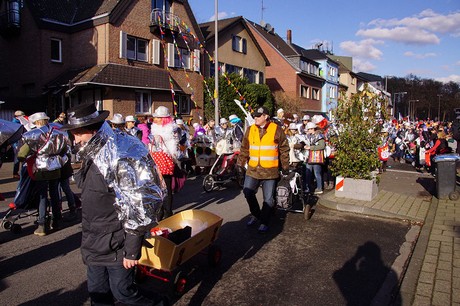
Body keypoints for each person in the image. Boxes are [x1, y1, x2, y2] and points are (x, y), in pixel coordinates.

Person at [61, 103, 167, 305]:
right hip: (94, 242)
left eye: (78, 134)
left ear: (92, 130)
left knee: (123, 292)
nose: (75, 140)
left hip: (116, 243)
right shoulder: (94, 151)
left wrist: (131, 250)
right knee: (98, 294)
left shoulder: (118, 152)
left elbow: (139, 204)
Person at [237, 106, 290, 234]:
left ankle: (264, 222)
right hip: (253, 169)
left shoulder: (276, 129)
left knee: (269, 200)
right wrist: (240, 164)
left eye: (258, 115)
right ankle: (256, 214)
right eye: (254, 115)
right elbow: (244, 148)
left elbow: (284, 149)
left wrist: (285, 166)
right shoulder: (250, 130)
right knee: (248, 192)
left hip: (270, 171)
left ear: (266, 116)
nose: (255, 117)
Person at [17, 112, 70, 236]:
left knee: (42, 196)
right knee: (55, 194)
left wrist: (23, 158)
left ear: (36, 122)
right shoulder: (59, 132)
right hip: (56, 167)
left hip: (41, 167)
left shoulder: (34, 134)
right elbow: (64, 150)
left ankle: (42, 225)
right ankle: (57, 220)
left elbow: (22, 154)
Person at [150, 106, 180, 220]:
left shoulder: (171, 129)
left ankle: (168, 211)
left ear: (163, 118)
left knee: (166, 188)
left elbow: (174, 147)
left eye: (157, 117)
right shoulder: (154, 128)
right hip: (156, 161)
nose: (155, 119)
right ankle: (161, 210)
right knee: (158, 188)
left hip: (165, 162)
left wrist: (171, 157)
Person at [304, 122, 325, 195]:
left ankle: (319, 188)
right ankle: (308, 188)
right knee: (308, 173)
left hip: (316, 157)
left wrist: (311, 147)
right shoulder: (308, 136)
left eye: (310, 129)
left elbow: (322, 146)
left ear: (313, 129)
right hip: (309, 157)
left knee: (317, 173)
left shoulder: (319, 136)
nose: (309, 130)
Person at [12, 110, 25, 179]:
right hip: (17, 143)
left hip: (19, 142)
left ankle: (17, 172)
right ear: (17, 117)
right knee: (18, 158)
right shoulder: (15, 123)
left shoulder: (19, 122)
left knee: (19, 158)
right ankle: (15, 173)